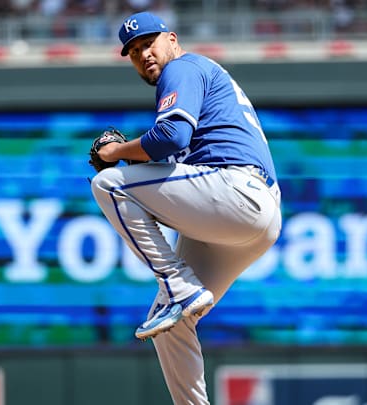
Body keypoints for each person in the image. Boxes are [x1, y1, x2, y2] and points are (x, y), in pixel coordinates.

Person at [90, 11, 282, 404]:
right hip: (249, 214)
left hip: (236, 191)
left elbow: (170, 135)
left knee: (107, 184)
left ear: (173, 40)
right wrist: (135, 158)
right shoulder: (198, 80)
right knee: (170, 322)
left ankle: (179, 284)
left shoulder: (184, 67)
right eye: (134, 50)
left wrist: (115, 152)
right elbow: (176, 159)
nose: (143, 54)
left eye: (149, 43)